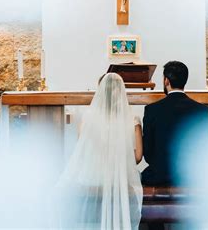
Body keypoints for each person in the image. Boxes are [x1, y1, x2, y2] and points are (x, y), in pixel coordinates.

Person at [53, 73, 143, 229]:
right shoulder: (132, 119)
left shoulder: (88, 118)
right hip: (120, 179)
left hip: (92, 178)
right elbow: (137, 157)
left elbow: (82, 152)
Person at [141, 61, 208, 186]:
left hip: (159, 176)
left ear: (166, 81)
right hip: (190, 177)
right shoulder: (201, 110)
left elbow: (147, 152)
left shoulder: (152, 109)